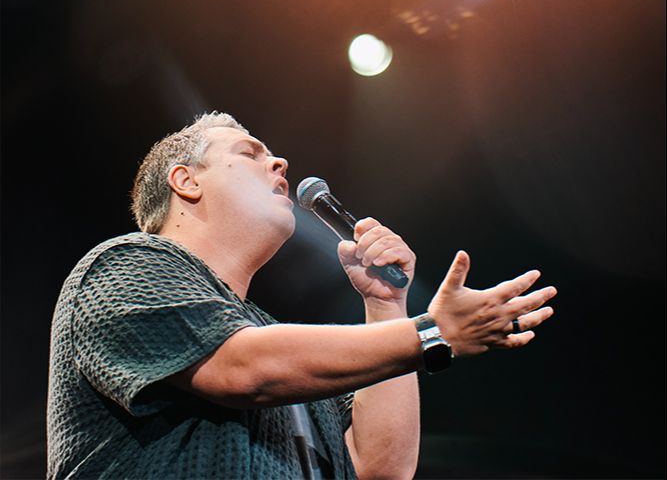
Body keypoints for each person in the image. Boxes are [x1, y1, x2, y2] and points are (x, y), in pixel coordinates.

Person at [47, 112, 557, 480]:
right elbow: (241, 369)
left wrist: (386, 306)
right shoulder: (124, 264)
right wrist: (431, 332)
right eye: (249, 153)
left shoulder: (275, 340)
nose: (280, 162)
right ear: (186, 181)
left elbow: (380, 468)